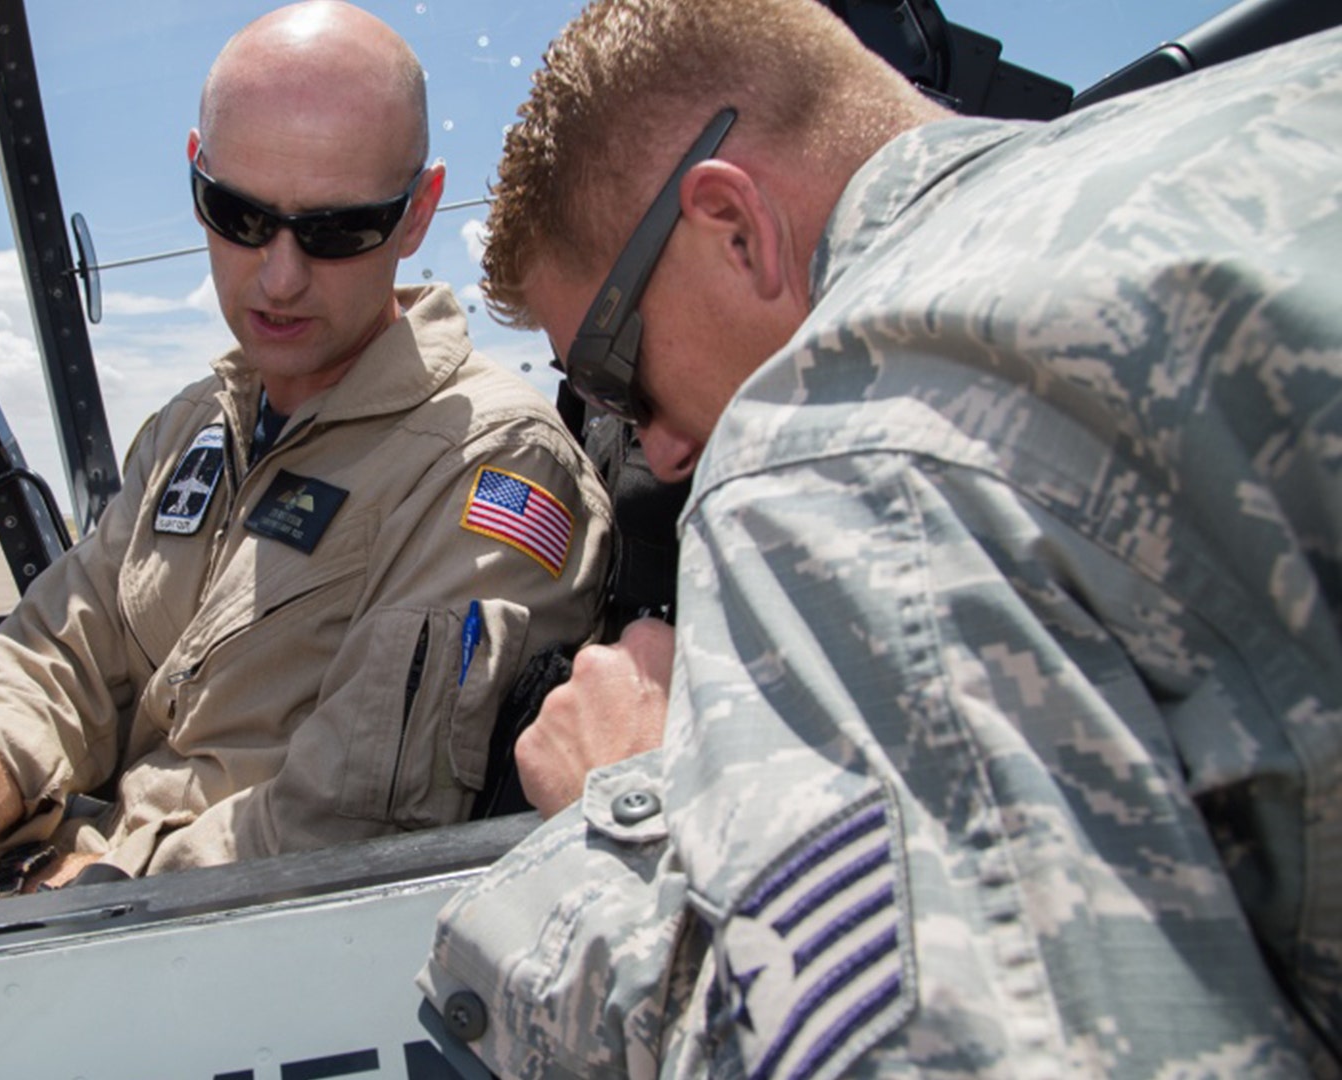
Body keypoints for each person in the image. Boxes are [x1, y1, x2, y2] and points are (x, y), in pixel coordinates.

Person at [416, 0, 1342, 1075]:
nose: (658, 451)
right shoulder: (1285, 112)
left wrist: (634, 807)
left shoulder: (841, 431)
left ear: (735, 227)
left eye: (617, 379)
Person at [0, 0, 612, 917]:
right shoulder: (195, 426)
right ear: (195, 178)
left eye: (335, 232)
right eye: (238, 215)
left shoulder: (489, 464)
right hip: (83, 861)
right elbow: (67, 649)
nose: (279, 276)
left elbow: (348, 836)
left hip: (197, 930)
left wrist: (71, 896)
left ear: (418, 215)